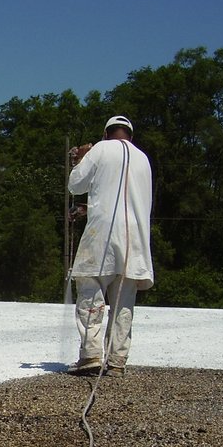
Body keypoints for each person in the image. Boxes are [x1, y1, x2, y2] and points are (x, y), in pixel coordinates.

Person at [66, 115, 153, 377]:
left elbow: (75, 184)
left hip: (101, 234)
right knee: (123, 301)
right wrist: (88, 207)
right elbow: (122, 198)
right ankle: (117, 361)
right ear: (130, 136)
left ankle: (91, 354)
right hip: (135, 238)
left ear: (105, 134)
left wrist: (79, 159)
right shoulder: (143, 159)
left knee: (90, 291)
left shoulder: (100, 149)